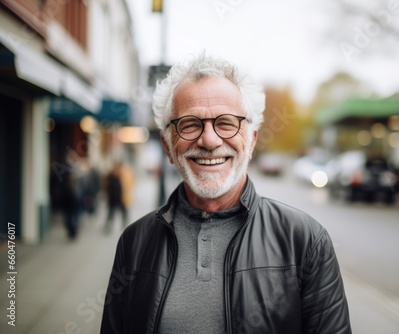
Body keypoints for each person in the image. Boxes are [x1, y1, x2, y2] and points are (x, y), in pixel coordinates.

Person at [101, 53, 351, 333]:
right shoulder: (134, 243)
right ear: (168, 145)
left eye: (226, 123)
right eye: (190, 124)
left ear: (252, 139)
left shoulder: (305, 242)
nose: (209, 140)